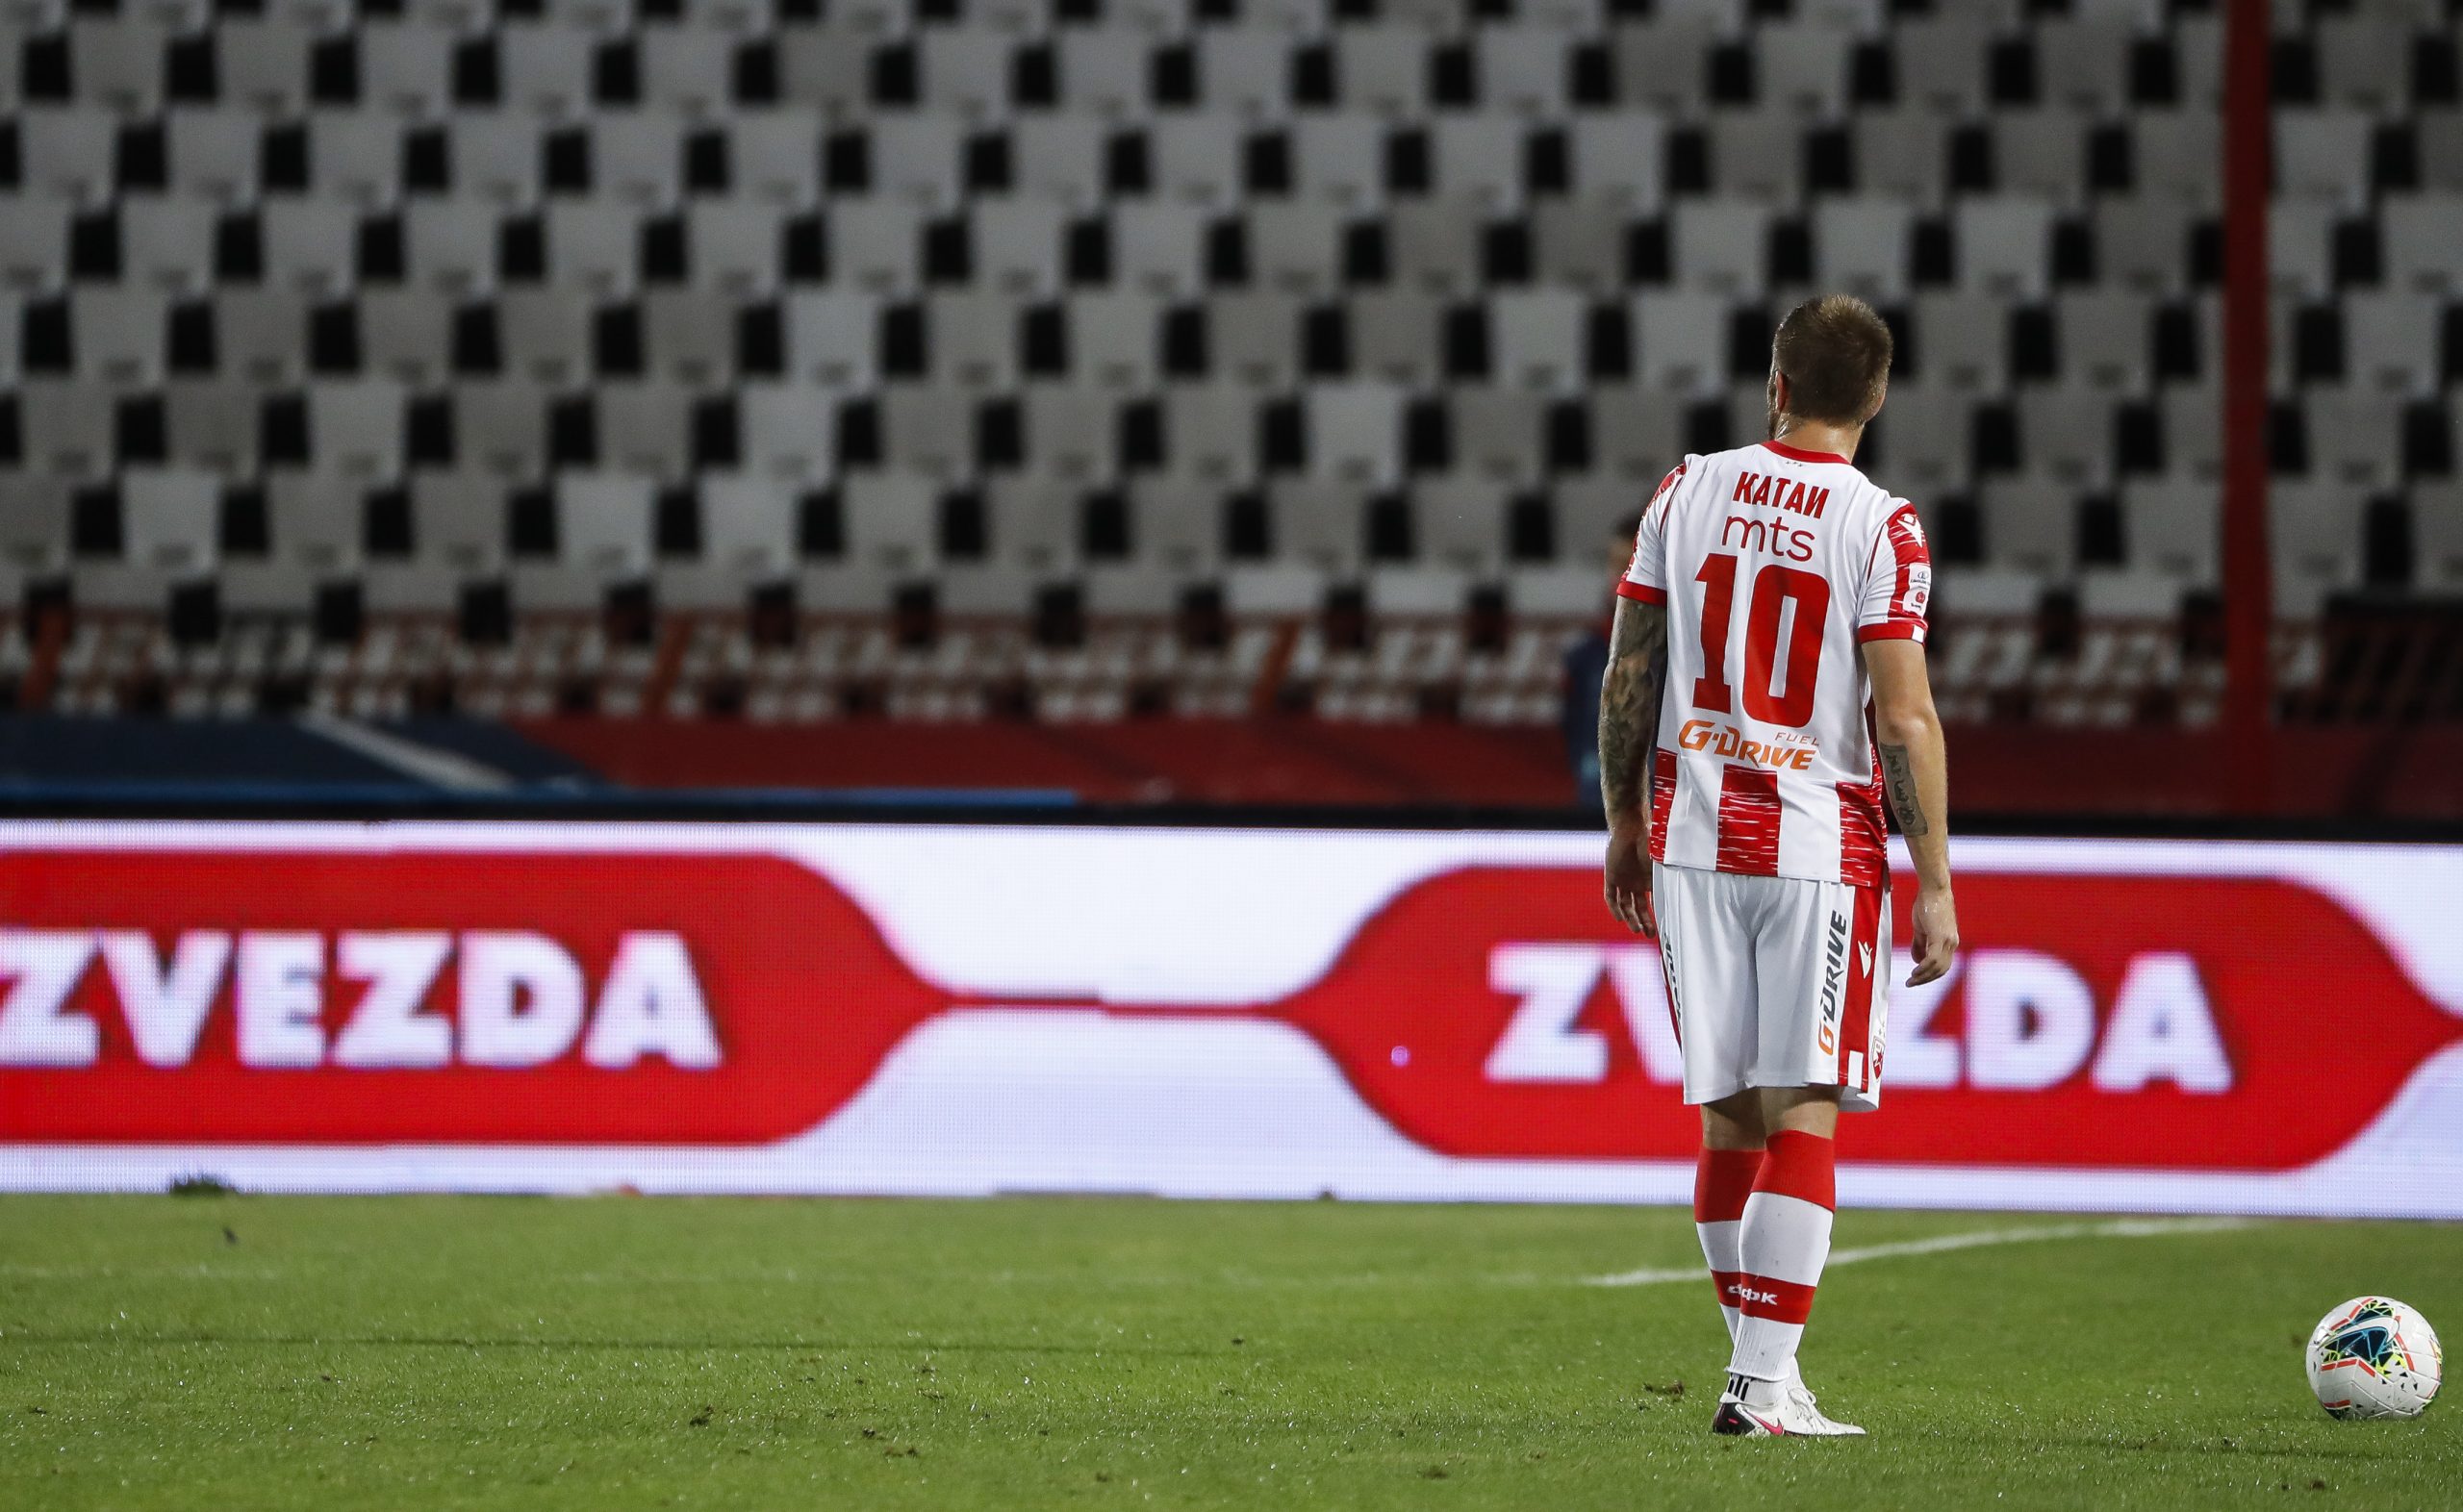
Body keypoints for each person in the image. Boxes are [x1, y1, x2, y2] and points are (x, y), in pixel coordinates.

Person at [1594, 294, 1959, 1438]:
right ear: (1880, 396)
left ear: (1775, 383)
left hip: (1689, 837)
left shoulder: (1685, 487)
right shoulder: (1880, 525)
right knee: (1805, 1111)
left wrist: (1619, 823)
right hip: (1815, 843)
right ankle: (1759, 1385)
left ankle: (1768, 1374)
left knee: (1727, 1118)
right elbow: (1901, 719)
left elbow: (1627, 675)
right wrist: (1936, 879)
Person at [1561, 515, 1645, 811]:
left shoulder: (1682, 653)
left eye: (1630, 562)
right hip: (1593, 811)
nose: (1620, 574)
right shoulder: (1583, 658)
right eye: (1615, 563)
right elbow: (1573, 735)